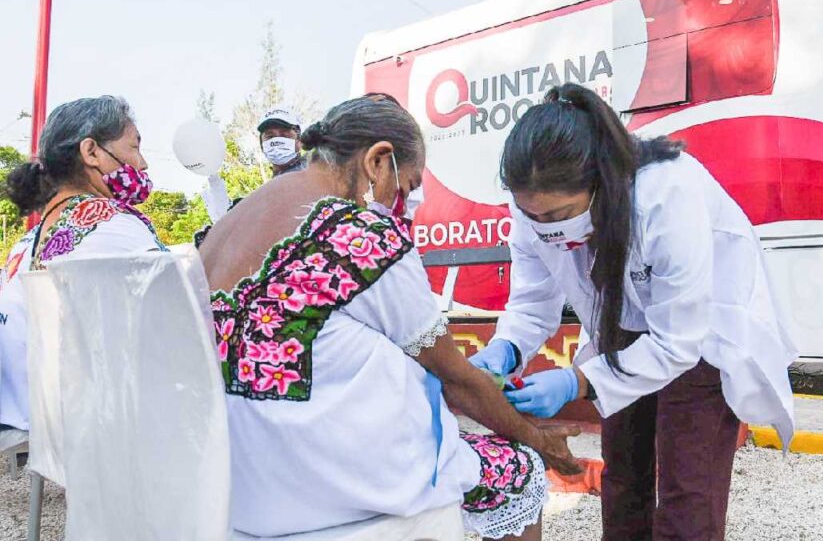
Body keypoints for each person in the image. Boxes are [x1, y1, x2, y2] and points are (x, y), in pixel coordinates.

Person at [198, 95, 580, 540]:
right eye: (407, 185)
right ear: (378, 161)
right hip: (332, 475)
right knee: (518, 472)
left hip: (244, 482)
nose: (404, 205)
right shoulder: (360, 234)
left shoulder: (227, 223)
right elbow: (455, 379)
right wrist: (540, 442)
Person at [469, 83, 797, 541]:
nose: (546, 228)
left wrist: (576, 381)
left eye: (558, 214)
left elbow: (677, 341)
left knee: (689, 486)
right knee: (623, 473)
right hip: (618, 331)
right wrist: (505, 350)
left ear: (600, 179)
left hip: (700, 334)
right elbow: (532, 300)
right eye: (534, 217)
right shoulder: (531, 208)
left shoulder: (666, 192)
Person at [0, 95, 165, 431]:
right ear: (91, 152)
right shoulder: (114, 222)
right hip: (91, 419)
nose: (143, 163)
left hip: (29, 409)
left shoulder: (24, 244)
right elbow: (179, 312)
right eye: (134, 147)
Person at [258, 107, 305, 176]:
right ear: (262, 145)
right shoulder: (270, 185)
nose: (277, 141)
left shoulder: (316, 177)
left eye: (284, 135)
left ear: (299, 141)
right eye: (270, 136)